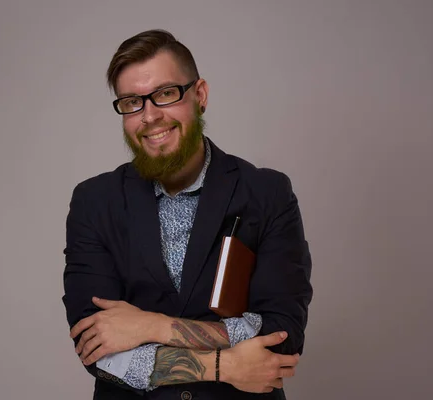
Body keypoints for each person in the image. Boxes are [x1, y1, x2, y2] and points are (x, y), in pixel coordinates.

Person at [62, 29, 313, 400]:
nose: (149, 116)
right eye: (131, 102)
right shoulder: (94, 201)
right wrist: (224, 366)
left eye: (165, 94)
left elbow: (282, 334)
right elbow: (97, 349)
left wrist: (153, 326)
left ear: (200, 95)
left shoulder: (266, 193)